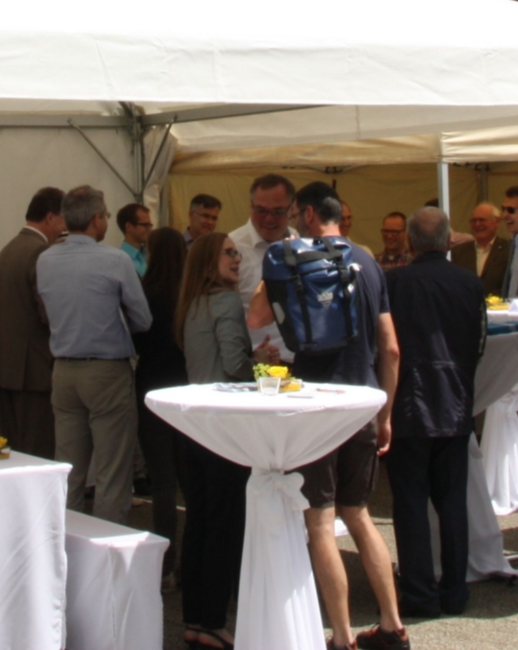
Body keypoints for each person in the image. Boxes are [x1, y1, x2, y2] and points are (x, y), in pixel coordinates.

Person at [248, 181, 407, 650]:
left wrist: (276, 269)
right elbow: (391, 347)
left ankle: (339, 637)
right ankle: (393, 624)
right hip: (362, 401)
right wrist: (386, 413)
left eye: (298, 214)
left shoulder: (293, 256)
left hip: (316, 405)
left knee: (320, 522)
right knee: (359, 514)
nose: (295, 221)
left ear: (312, 215)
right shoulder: (371, 262)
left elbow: (257, 318)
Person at [385, 206, 486, 619]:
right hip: (455, 399)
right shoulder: (469, 283)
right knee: (451, 501)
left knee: (409, 502)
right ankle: (455, 590)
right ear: (448, 241)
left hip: (410, 400)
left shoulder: (394, 283)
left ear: (410, 241)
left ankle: (419, 592)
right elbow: (478, 342)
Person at [35, 186, 152, 523]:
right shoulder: (114, 259)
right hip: (105, 370)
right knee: (113, 470)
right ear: (96, 219)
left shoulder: (46, 259)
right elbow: (142, 319)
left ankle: (64, 544)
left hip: (63, 369)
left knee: (69, 467)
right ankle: (108, 552)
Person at [176, 231, 252, 649]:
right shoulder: (224, 301)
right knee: (224, 524)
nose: (236, 258)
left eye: (236, 251)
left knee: (201, 522)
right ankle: (213, 621)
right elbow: (234, 363)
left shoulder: (191, 305)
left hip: (194, 425)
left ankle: (195, 619)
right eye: (228, 253)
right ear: (208, 263)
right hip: (224, 424)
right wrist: (261, 369)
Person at [0, 187, 66, 457]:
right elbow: (48, 313)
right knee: (36, 449)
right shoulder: (40, 252)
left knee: (12, 448)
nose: (65, 227)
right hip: (32, 369)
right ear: (51, 217)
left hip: (6, 366)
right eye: (64, 219)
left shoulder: (9, 249)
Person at [133, 227, 189, 585]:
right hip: (187, 389)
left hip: (151, 388)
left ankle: (166, 565)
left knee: (163, 481)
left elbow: (136, 338)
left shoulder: (143, 292)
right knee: (193, 480)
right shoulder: (191, 293)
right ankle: (195, 562)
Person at [228, 174, 299, 306]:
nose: (269, 219)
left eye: (278, 212)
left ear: (292, 209)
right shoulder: (231, 247)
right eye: (261, 211)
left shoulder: (301, 242)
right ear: (251, 207)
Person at [448, 201, 510, 296]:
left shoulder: (508, 250)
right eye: (474, 220)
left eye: (482, 220)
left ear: (497, 222)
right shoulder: (458, 252)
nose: (477, 224)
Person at [118, 201, 153, 276]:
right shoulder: (119, 260)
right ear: (129, 226)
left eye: (150, 225)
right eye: (145, 225)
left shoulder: (151, 255)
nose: (150, 230)